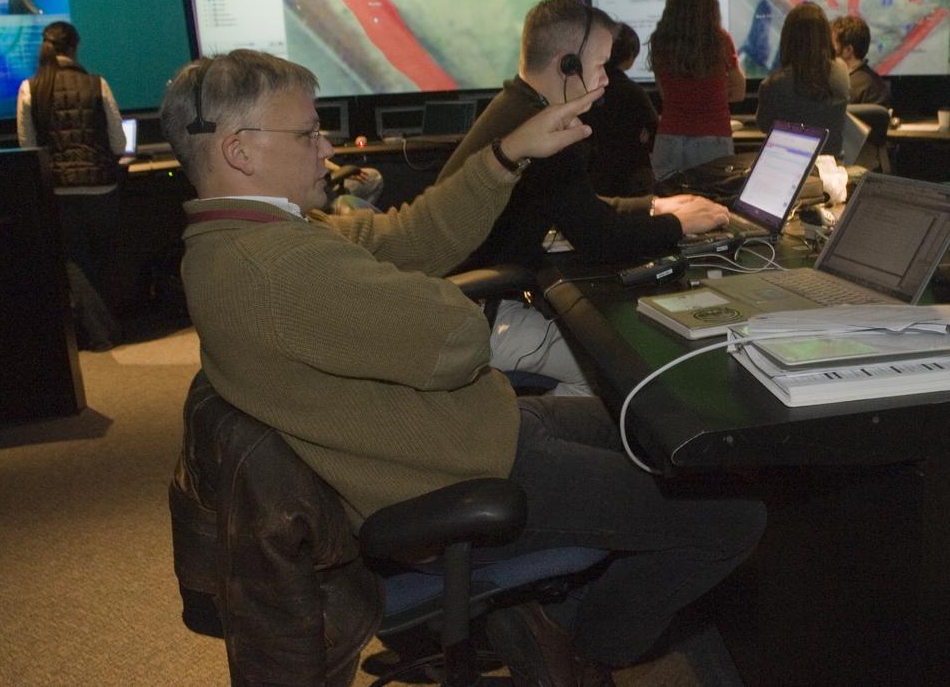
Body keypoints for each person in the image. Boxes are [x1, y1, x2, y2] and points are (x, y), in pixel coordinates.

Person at [160, 49, 766, 685]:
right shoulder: (272, 271)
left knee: (654, 433)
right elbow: (456, 337)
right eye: (308, 133)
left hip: (471, 431)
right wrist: (415, 296)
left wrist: (507, 155)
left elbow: (405, 240)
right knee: (733, 517)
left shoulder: (250, 237)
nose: (327, 149)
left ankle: (554, 620)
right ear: (239, 151)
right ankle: (583, 640)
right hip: (458, 476)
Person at [438, 0, 729, 396]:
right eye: (600, 65)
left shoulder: (517, 108)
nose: (607, 79)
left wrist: (653, 205)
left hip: (465, 307)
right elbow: (601, 238)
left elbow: (579, 206)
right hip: (479, 320)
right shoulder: (544, 134)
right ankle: (534, 428)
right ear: (568, 65)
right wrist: (679, 224)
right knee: (622, 371)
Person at [17, 21, 123, 350]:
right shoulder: (97, 83)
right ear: (75, 47)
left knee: (75, 261)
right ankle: (104, 330)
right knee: (99, 259)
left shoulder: (30, 88)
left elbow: (27, 148)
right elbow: (118, 143)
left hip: (58, 191)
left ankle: (99, 333)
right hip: (101, 188)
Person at [647, 0, 746, 179]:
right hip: (712, 141)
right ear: (711, 2)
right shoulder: (720, 41)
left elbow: (664, 94)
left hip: (669, 139)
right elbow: (739, 92)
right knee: (711, 199)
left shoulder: (660, 41)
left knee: (670, 200)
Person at [755, 2, 852, 154]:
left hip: (792, 163)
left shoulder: (773, 85)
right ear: (826, 35)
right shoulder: (842, 70)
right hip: (832, 163)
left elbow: (764, 126)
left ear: (788, 38)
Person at [586, 22, 658, 196]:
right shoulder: (633, 91)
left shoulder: (588, 88)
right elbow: (654, 126)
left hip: (596, 173)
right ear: (630, 55)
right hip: (631, 172)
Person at [832, 13, 892, 108]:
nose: (828, 49)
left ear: (848, 50)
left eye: (832, 44)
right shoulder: (874, 83)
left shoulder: (844, 88)